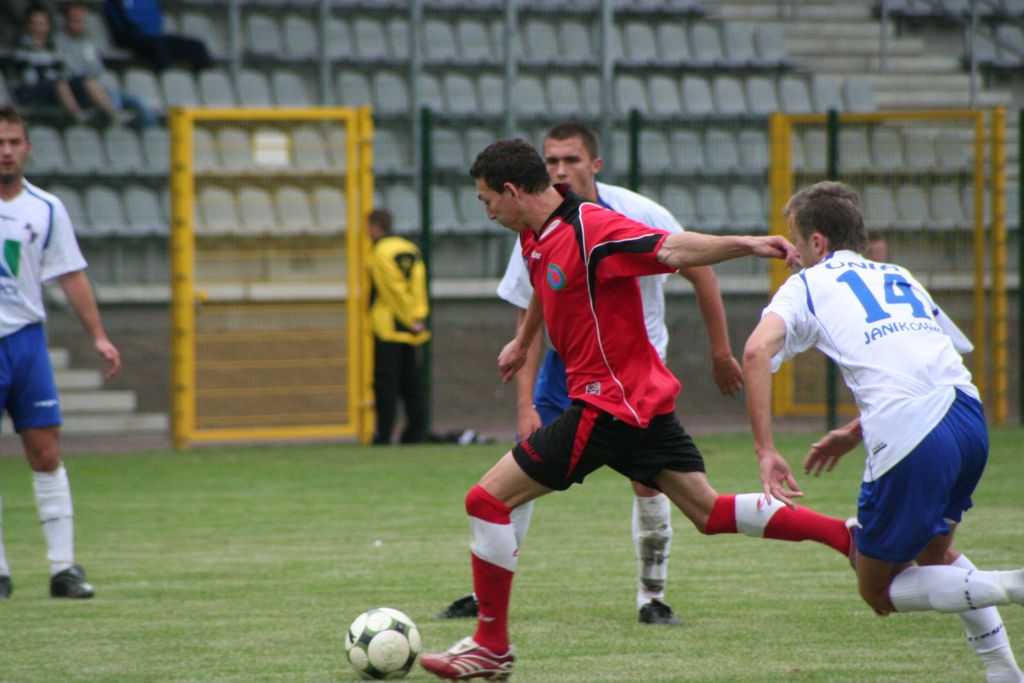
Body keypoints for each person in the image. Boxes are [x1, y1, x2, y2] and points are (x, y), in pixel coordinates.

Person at [419, 140, 857, 680]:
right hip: (641, 403)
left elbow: (673, 250)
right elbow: (544, 280)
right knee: (710, 512)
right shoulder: (534, 233)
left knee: (485, 500)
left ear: (511, 192)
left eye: (487, 200)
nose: (486, 211)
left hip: (608, 406)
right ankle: (847, 537)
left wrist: (747, 243)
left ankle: (491, 647)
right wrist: (523, 339)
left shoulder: (594, 229)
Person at [436, 120, 744, 626]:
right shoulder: (534, 224)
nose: (560, 170)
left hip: (632, 374)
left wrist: (720, 351)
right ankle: (487, 592)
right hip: (568, 367)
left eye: (571, 160)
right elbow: (536, 291)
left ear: (595, 164)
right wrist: (525, 395)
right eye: (552, 160)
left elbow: (694, 265)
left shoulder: (630, 213)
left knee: (651, 485)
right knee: (521, 461)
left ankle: (652, 595)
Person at [742, 180, 1024, 683]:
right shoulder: (900, 275)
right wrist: (854, 432)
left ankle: (1011, 583)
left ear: (818, 243)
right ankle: (1004, 672)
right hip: (967, 416)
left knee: (879, 592)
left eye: (795, 242)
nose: (792, 258)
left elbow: (755, 352)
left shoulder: (808, 283)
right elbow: (931, 358)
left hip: (913, 435)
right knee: (934, 556)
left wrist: (765, 450)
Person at [0, 105, 122, 599]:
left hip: (27, 343)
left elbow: (69, 273)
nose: (5, 151)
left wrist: (97, 335)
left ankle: (63, 569)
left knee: (46, 451)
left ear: (28, 147)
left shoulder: (45, 208)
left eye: (13, 142)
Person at [367, 207, 430, 445]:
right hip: (413, 329)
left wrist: (407, 319)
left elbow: (391, 289)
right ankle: (415, 433)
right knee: (411, 384)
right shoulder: (410, 249)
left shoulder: (379, 252)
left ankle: (384, 435)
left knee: (386, 385)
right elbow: (417, 286)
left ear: (375, 227)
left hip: (388, 328)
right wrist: (418, 317)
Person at [11, 5, 122, 124]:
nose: (40, 28)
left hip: (54, 88)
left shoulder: (53, 48)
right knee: (60, 84)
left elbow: (63, 70)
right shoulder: (21, 49)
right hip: (32, 91)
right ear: (28, 25)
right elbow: (28, 79)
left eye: (43, 24)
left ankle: (114, 116)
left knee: (87, 82)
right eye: (36, 24)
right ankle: (79, 117)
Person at [55, 2, 156, 127]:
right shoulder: (58, 41)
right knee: (96, 87)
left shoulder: (87, 41)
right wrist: (87, 75)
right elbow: (69, 69)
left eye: (81, 20)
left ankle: (151, 130)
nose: (79, 24)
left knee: (137, 102)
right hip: (78, 88)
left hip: (98, 85)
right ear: (65, 20)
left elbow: (97, 67)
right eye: (75, 20)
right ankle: (116, 119)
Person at [103, 0, 212, 72]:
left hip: (154, 36)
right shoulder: (115, 2)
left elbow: (156, 21)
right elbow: (121, 28)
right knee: (158, 46)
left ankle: (206, 84)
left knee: (197, 46)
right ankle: (168, 80)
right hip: (130, 37)